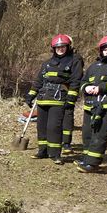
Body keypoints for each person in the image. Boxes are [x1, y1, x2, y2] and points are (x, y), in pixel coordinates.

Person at [25, 34, 83, 165]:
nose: (60, 49)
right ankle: (43, 151)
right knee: (42, 127)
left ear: (68, 47)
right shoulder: (46, 63)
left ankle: (55, 154)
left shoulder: (74, 61)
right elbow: (39, 80)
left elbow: (75, 81)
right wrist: (30, 95)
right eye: (58, 47)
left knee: (53, 127)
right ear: (53, 48)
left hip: (59, 99)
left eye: (63, 47)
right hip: (43, 99)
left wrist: (71, 98)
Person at [75, 35, 107, 173]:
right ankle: (86, 158)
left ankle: (93, 163)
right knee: (87, 133)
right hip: (89, 105)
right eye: (106, 49)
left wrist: (101, 88)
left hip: (105, 107)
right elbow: (83, 81)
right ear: (101, 50)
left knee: (99, 134)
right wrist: (85, 87)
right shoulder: (94, 66)